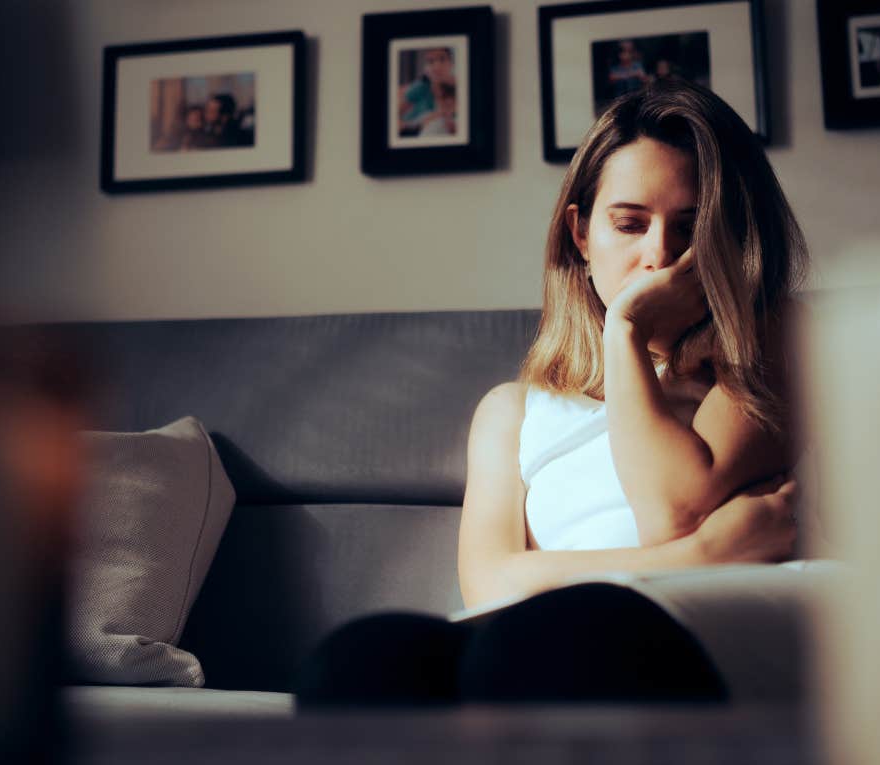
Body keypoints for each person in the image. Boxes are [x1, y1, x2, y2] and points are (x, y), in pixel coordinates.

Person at [295, 81, 819, 708]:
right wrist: (706, 553)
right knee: (360, 661)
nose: (660, 255)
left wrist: (626, 333)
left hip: (702, 631)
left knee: (546, 642)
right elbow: (490, 585)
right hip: (556, 634)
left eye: (692, 227)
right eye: (629, 224)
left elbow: (671, 508)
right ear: (581, 233)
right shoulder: (512, 412)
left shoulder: (767, 350)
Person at [399, 47, 456, 136]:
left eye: (442, 59)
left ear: (452, 63)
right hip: (411, 130)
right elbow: (396, 112)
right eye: (430, 61)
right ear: (426, 68)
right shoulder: (421, 86)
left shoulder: (459, 88)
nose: (437, 66)